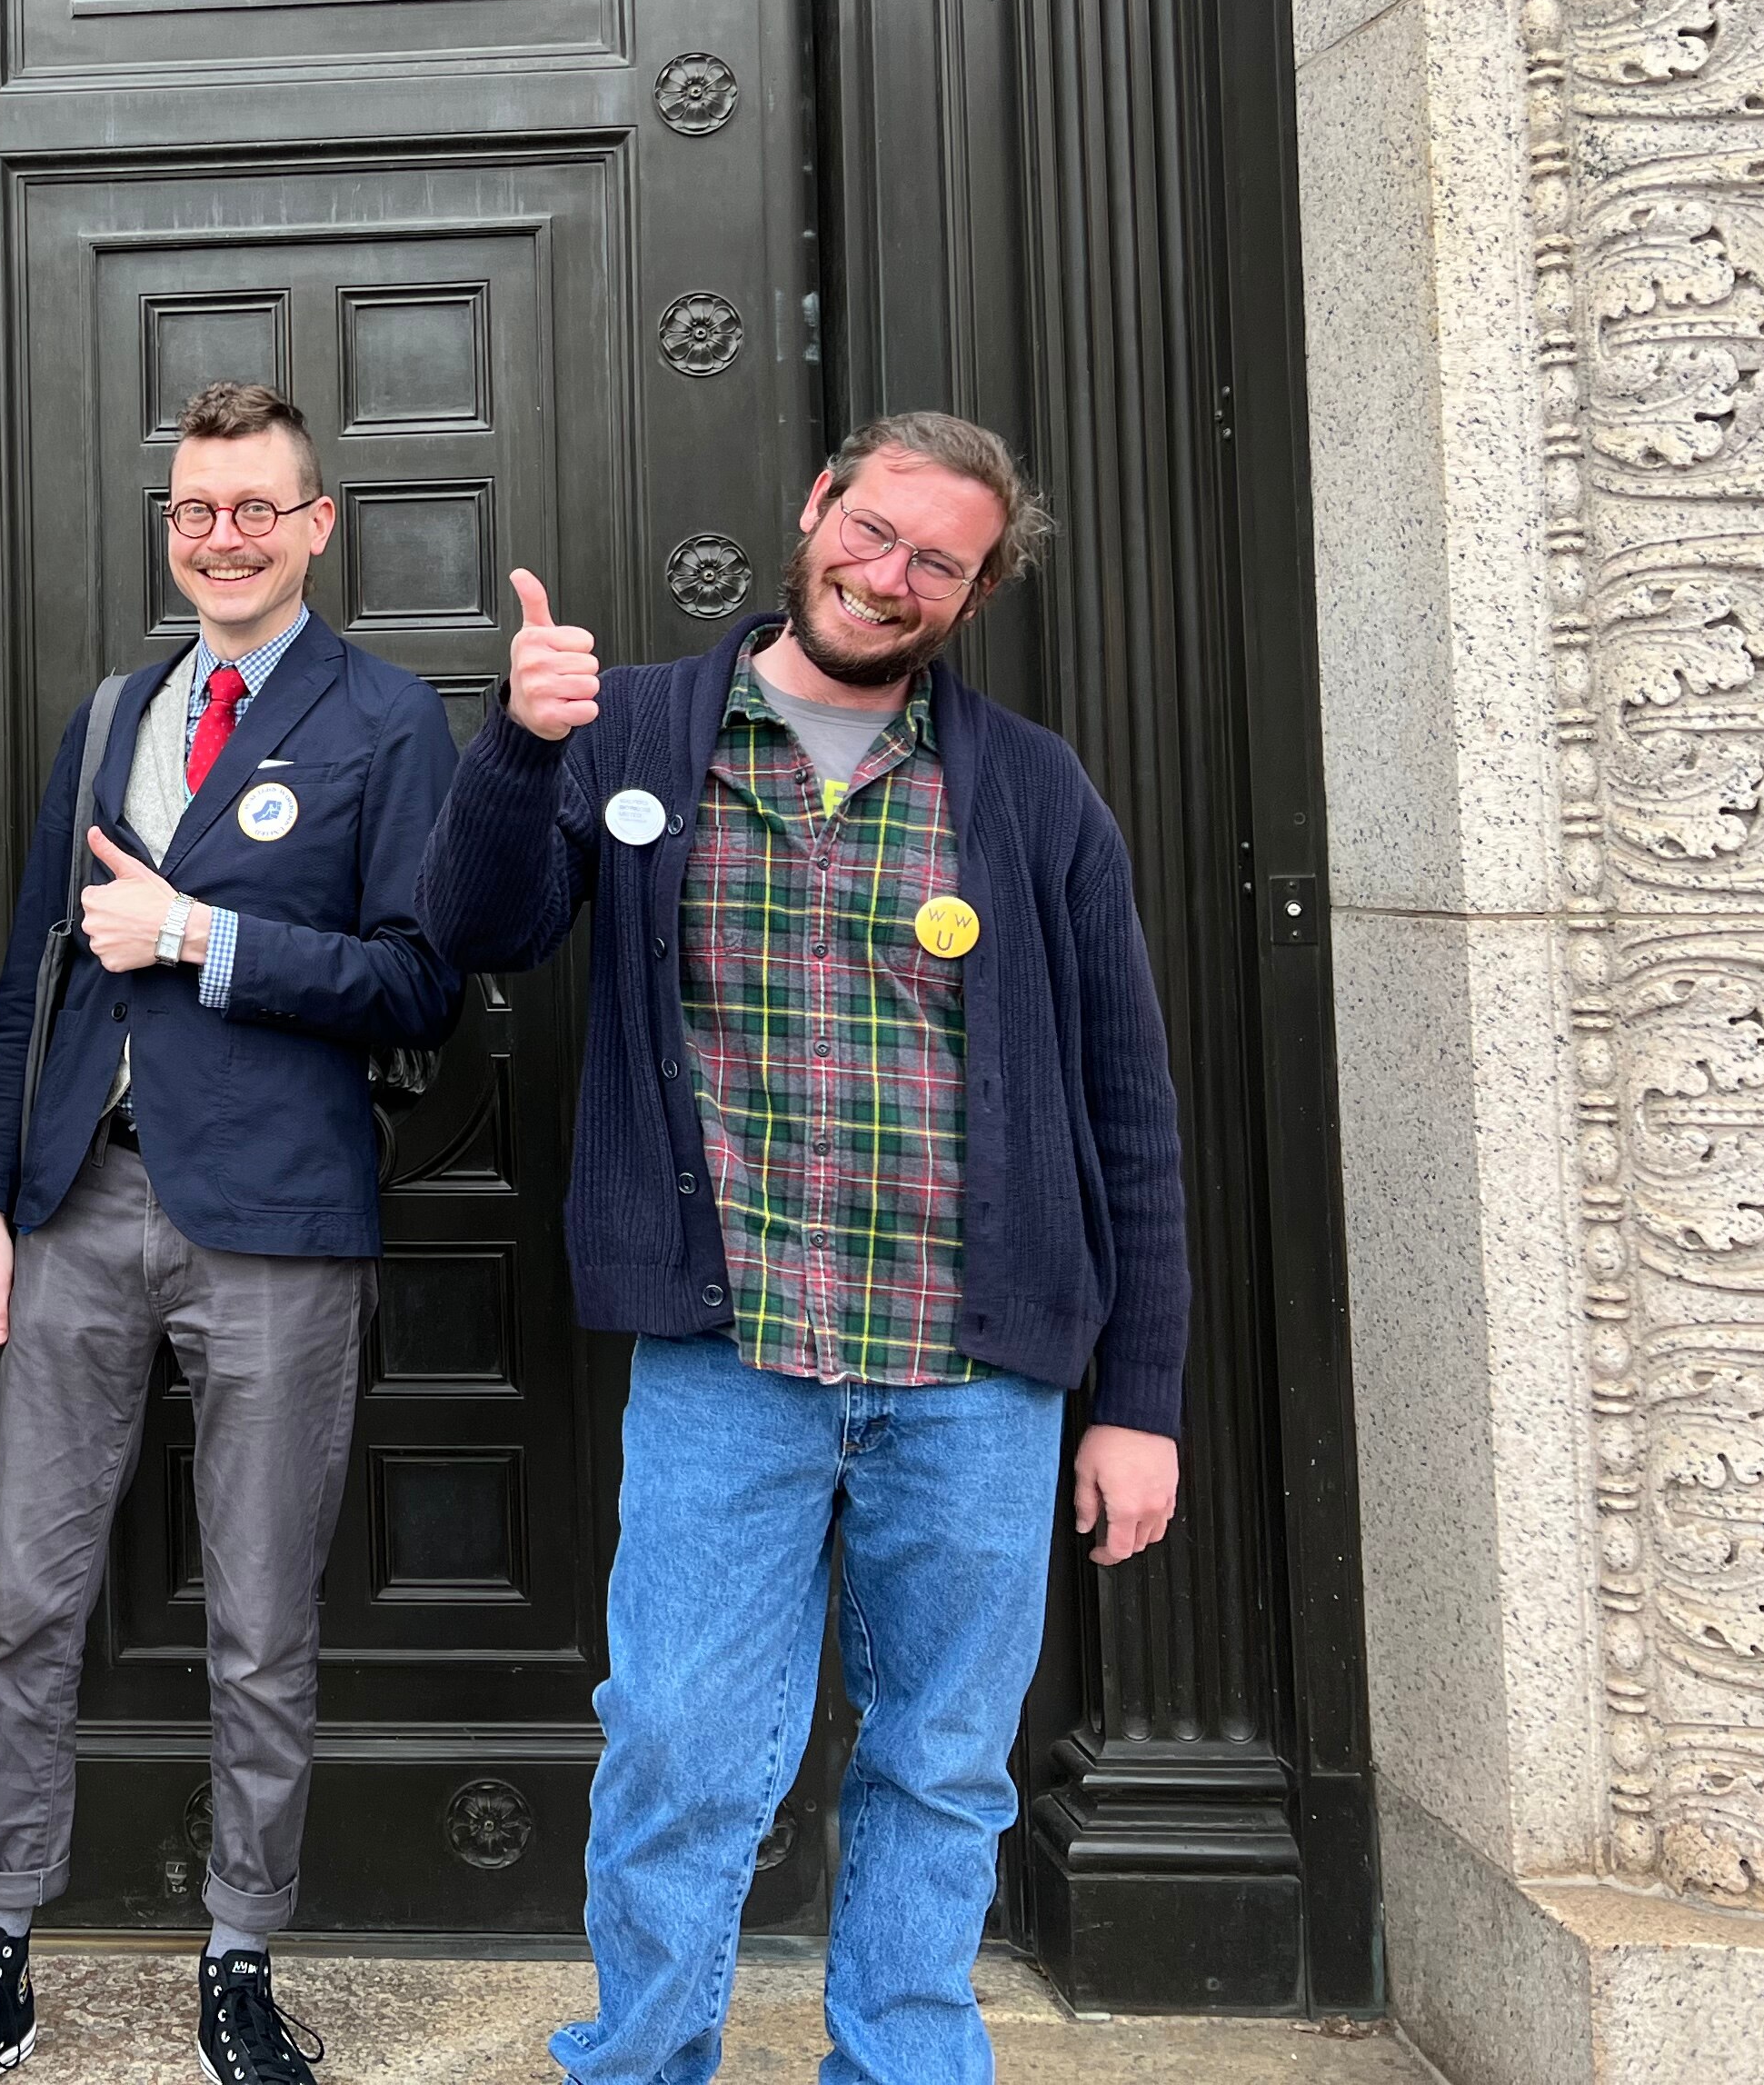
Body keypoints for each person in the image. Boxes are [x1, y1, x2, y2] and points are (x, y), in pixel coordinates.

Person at [416, 411, 1188, 2085]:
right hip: (728, 1357)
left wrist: (1142, 1399)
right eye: (874, 529)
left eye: (940, 562)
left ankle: (904, 2065)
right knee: (681, 1744)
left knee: (945, 1760)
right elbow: (474, 932)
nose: (889, 575)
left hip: (977, 1373)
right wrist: (518, 748)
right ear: (814, 508)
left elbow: (1130, 1109)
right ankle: (643, 2061)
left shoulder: (1031, 792)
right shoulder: (635, 735)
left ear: (972, 596)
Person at [0, 381, 462, 2085]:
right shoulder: (119, 710)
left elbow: (423, 984)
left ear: (315, 525)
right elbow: (34, 979)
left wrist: (202, 935)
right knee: (24, 1603)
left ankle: (240, 1960)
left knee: (262, 1619)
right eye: (195, 509)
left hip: (278, 1221)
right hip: (78, 1207)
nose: (222, 535)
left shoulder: (390, 722)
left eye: (254, 508)